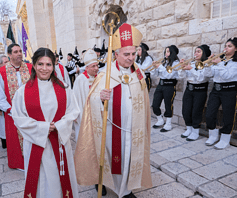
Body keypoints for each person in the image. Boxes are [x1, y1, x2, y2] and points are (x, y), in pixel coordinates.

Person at [75, 23, 152, 198]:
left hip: (133, 128)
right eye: (126, 54)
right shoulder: (105, 74)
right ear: (116, 54)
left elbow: (144, 97)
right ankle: (111, 185)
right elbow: (92, 101)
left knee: (130, 157)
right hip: (111, 129)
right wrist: (100, 97)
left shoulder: (138, 72)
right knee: (113, 158)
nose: (131, 58)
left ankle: (126, 189)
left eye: (133, 54)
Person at [11, 48, 80, 198]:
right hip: (36, 143)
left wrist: (59, 125)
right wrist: (42, 128)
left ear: (53, 66)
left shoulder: (65, 89)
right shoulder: (22, 92)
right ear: (34, 66)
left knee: (60, 179)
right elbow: (18, 117)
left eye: (48, 64)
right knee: (41, 181)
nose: (44, 68)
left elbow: (73, 111)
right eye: (40, 64)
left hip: (60, 142)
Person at [0, 43, 32, 170]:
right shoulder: (1, 72)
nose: (19, 54)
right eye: (15, 52)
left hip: (31, 111)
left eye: (20, 51)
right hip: (13, 113)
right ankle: (20, 163)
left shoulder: (30, 68)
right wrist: (10, 110)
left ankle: (34, 160)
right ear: (9, 55)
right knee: (15, 139)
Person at [203, 38, 237, 149]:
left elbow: (228, 76)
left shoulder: (235, 62)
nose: (226, 48)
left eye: (229, 46)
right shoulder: (220, 60)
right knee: (209, 114)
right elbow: (209, 74)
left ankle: (225, 138)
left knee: (228, 115)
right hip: (216, 90)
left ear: (236, 49)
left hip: (229, 90)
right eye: (225, 45)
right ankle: (213, 135)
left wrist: (220, 63)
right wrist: (209, 64)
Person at [178, 45, 212, 141]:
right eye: (195, 51)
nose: (195, 53)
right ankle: (189, 129)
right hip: (189, 89)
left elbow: (201, 78)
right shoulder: (191, 63)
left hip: (200, 90)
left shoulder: (206, 65)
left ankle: (195, 131)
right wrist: (182, 68)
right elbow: (181, 76)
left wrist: (191, 69)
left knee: (196, 111)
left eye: (198, 51)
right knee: (186, 110)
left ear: (204, 53)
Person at [151, 45, 180, 132]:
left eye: (168, 51)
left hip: (170, 85)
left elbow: (168, 75)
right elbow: (155, 75)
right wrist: (154, 68)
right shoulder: (164, 62)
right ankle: (160, 120)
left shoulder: (176, 63)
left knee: (168, 105)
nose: (166, 53)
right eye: (165, 51)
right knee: (155, 104)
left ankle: (168, 124)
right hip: (161, 85)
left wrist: (159, 67)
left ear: (172, 53)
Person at [73, 49, 99, 141]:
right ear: (86, 68)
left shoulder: (99, 78)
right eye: (93, 66)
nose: (96, 68)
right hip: (84, 114)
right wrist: (75, 114)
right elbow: (74, 99)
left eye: (97, 65)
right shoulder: (80, 80)